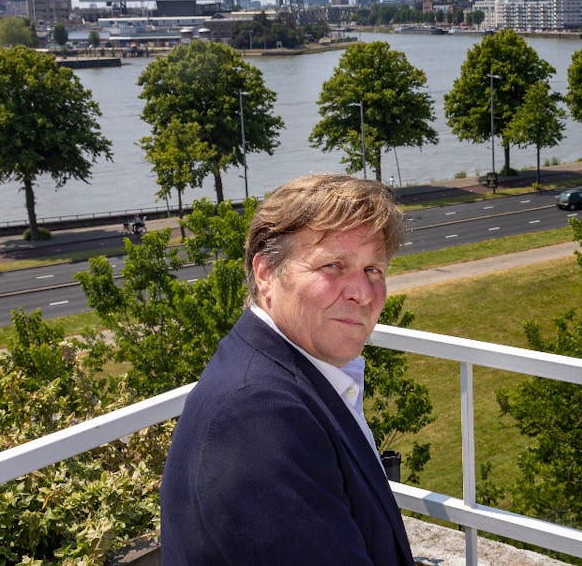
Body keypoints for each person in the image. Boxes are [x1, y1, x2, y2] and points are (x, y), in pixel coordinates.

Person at [160, 173, 414, 565]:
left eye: (373, 270)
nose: (362, 294)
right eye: (332, 265)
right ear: (266, 273)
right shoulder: (257, 415)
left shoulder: (286, 373)